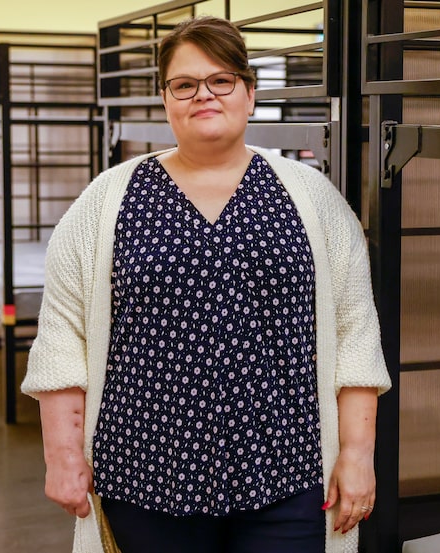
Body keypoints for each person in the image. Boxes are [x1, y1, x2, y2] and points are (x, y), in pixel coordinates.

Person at [21, 15, 391, 553]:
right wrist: (63, 456)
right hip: (143, 476)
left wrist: (357, 454)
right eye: (185, 84)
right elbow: (61, 336)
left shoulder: (314, 200)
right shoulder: (106, 202)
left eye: (221, 80)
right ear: (166, 98)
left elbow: (356, 333)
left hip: (288, 473)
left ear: (249, 92)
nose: (204, 95)